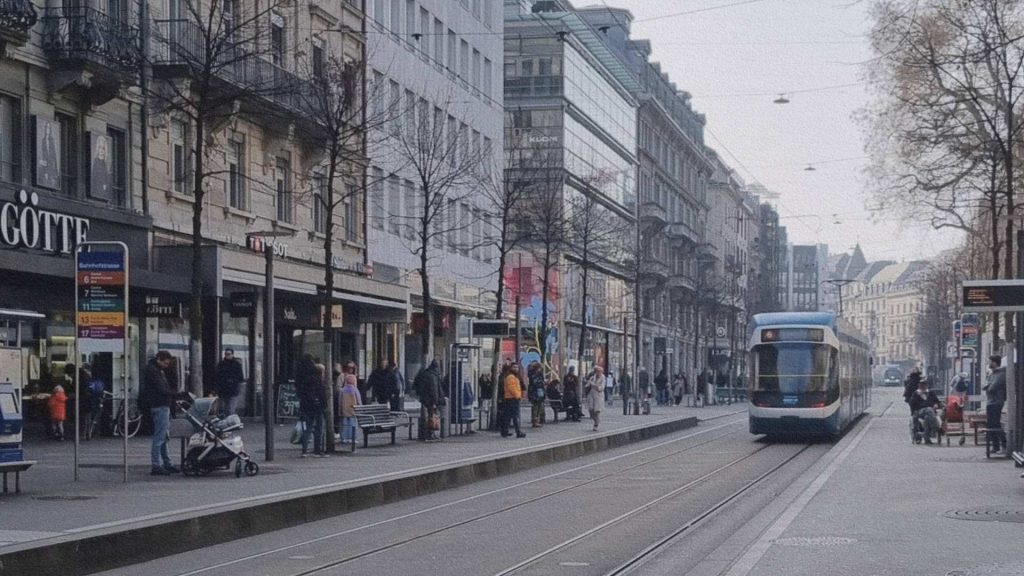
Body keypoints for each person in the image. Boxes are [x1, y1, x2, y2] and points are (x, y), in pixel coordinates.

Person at [142, 351, 180, 475]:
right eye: (165, 363)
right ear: (159, 359)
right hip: (160, 405)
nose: (166, 365)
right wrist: (175, 394)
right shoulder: (153, 371)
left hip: (162, 405)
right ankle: (156, 464)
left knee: (164, 436)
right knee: (160, 437)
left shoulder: (155, 369)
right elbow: (161, 389)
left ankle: (167, 462)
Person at [295, 354, 326, 457]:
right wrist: (323, 404)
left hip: (306, 405)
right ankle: (317, 449)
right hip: (317, 406)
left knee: (307, 428)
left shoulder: (301, 378)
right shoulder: (316, 379)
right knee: (318, 428)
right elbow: (321, 393)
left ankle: (304, 450)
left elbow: (300, 392)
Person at [983, 355, 1008, 454]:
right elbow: (986, 385)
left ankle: (1004, 443)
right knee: (991, 424)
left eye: (990, 361)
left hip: (996, 402)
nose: (989, 363)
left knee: (996, 424)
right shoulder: (992, 374)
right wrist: (988, 386)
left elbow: (992, 387)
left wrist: (988, 387)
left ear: (995, 362)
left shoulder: (1001, 374)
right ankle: (995, 445)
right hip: (990, 401)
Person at [414, 360, 444, 441]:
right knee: (432, 416)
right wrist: (435, 401)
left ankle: (431, 433)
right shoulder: (433, 375)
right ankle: (430, 433)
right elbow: (434, 389)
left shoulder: (427, 373)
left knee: (431, 416)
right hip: (431, 400)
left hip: (427, 399)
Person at [909, 378, 942, 444]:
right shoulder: (916, 394)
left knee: (927, 417)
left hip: (931, 413)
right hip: (919, 411)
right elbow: (911, 404)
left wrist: (936, 405)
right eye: (922, 385)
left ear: (927, 386)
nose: (923, 387)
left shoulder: (931, 393)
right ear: (919, 386)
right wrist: (918, 395)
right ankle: (935, 428)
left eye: (925, 385)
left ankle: (927, 438)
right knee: (929, 409)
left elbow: (937, 402)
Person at [214, 348, 245, 417]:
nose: (227, 355)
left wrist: (239, 389)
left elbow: (240, 378)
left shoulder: (236, 365)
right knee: (224, 409)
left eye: (228, 354)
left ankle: (230, 421)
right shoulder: (221, 364)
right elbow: (217, 377)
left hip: (233, 390)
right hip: (223, 390)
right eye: (226, 354)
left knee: (231, 409)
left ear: (232, 355)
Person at [500, 364, 526, 438]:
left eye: (517, 367)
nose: (516, 369)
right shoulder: (511, 377)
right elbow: (512, 388)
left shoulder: (514, 377)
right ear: (511, 368)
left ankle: (505, 431)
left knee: (508, 416)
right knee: (515, 416)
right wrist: (518, 396)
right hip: (512, 399)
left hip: (510, 398)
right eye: (514, 367)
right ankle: (518, 432)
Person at [339, 373, 361, 444]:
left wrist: (340, 411)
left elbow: (340, 401)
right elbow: (358, 400)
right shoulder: (355, 390)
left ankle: (344, 438)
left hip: (344, 411)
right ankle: (352, 438)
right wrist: (360, 408)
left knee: (344, 424)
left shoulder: (342, 390)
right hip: (353, 410)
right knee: (353, 424)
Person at [585, 366, 605, 431]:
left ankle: (596, 424)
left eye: (599, 371)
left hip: (598, 396)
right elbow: (587, 385)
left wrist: (593, 385)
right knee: (590, 409)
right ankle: (597, 420)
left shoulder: (603, 378)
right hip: (591, 395)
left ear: (601, 372)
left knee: (596, 411)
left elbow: (601, 388)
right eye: (597, 371)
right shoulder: (592, 377)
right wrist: (587, 383)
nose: (598, 372)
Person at [527, 362, 546, 427]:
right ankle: (535, 421)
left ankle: (537, 420)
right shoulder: (534, 374)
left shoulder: (538, 374)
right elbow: (535, 382)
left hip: (538, 392)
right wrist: (542, 382)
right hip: (535, 392)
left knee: (539, 407)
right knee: (536, 407)